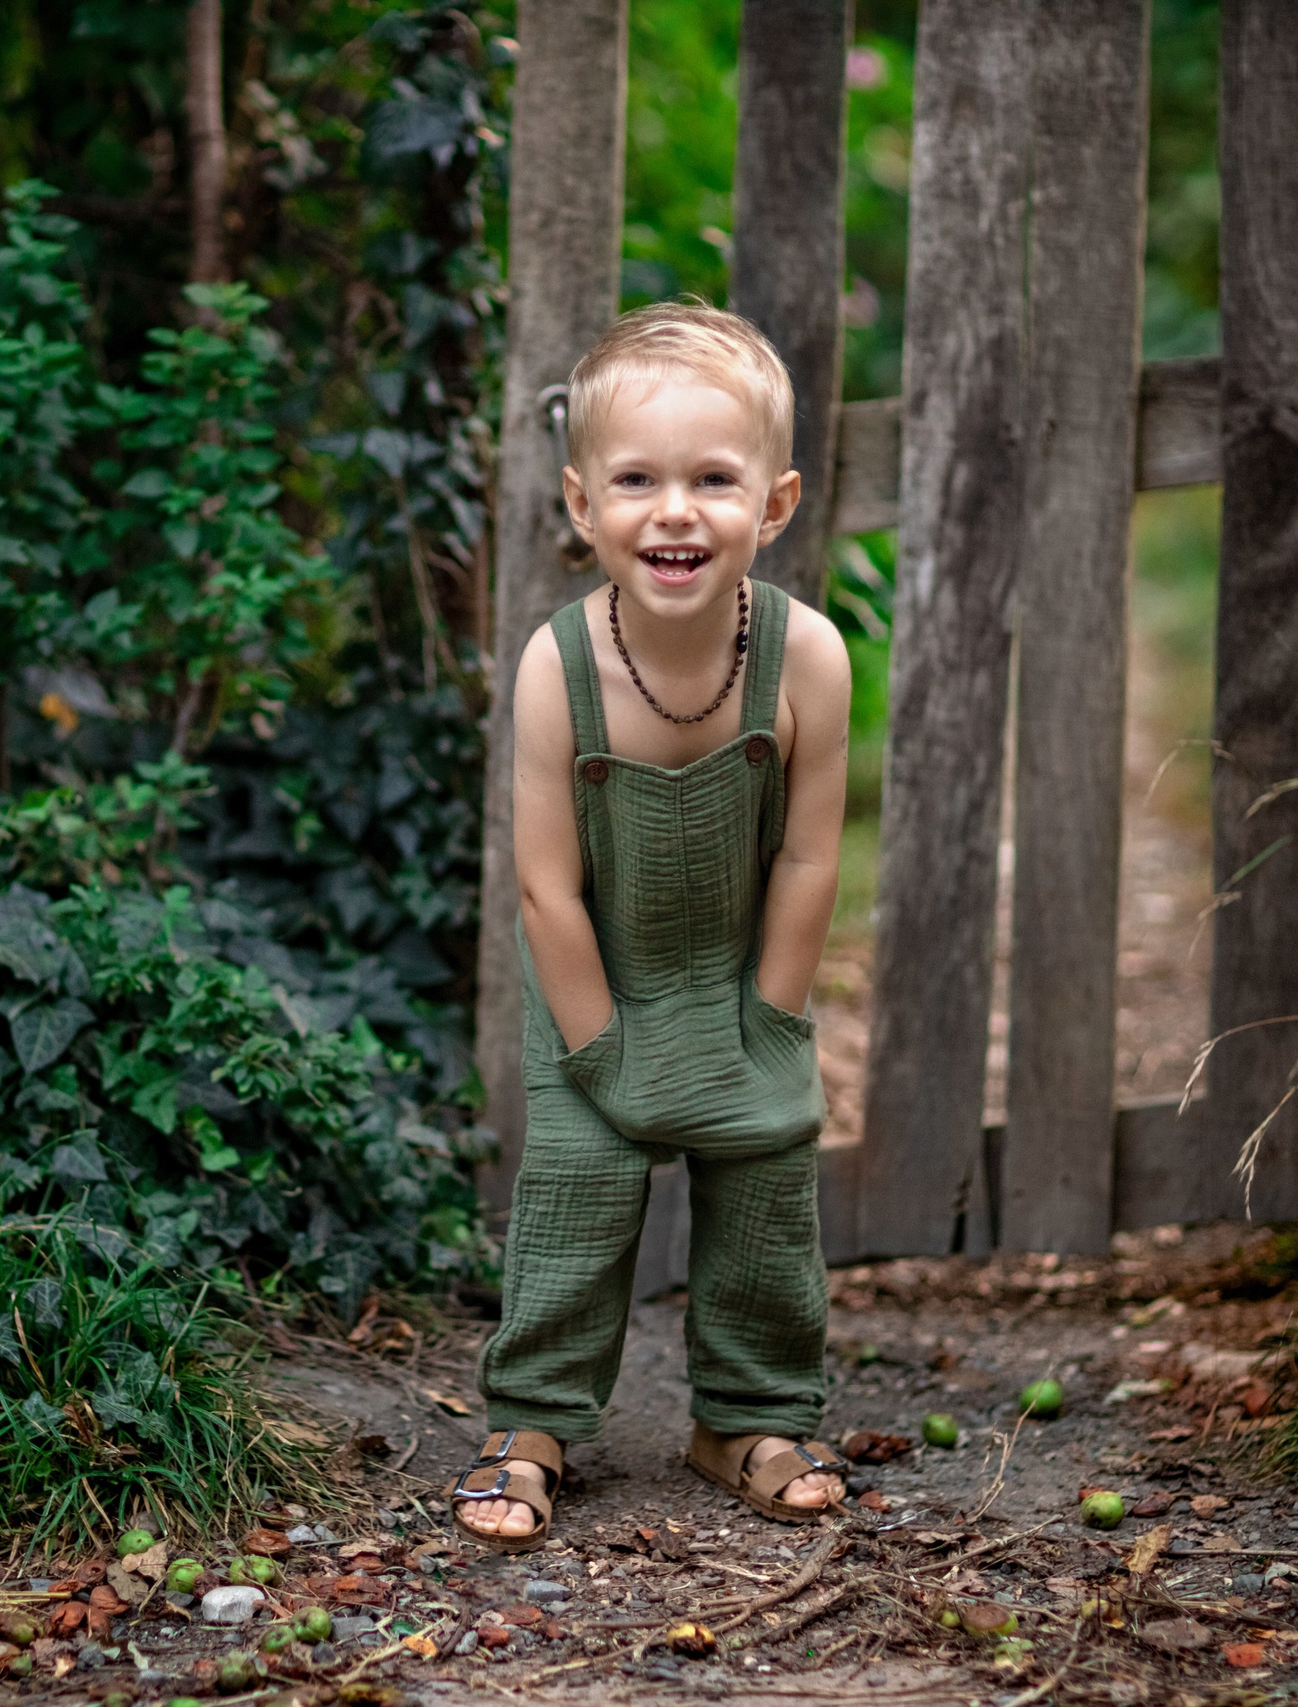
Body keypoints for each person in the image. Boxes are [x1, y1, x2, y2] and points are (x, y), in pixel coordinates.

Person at [452, 303, 852, 1552]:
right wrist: (601, 1050)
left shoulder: (807, 658)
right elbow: (545, 889)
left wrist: (770, 1019)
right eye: (636, 480)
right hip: (598, 979)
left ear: (773, 505)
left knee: (766, 1187)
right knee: (577, 1192)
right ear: (583, 503)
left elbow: (809, 855)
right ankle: (533, 1421)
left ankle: (747, 1416)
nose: (674, 512)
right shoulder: (555, 667)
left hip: (738, 976)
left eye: (713, 481)